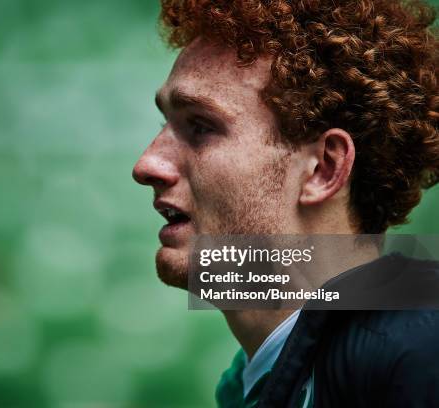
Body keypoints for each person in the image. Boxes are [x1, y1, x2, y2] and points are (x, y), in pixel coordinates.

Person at [132, 0, 439, 406]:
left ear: (323, 169)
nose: (146, 164)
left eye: (201, 127)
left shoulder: (420, 353)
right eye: (164, 123)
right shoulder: (254, 382)